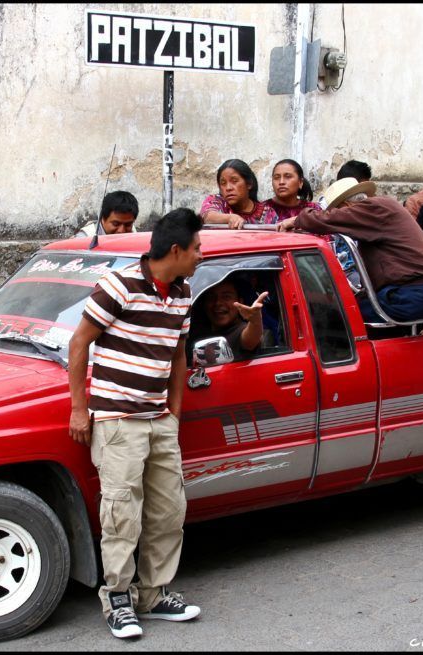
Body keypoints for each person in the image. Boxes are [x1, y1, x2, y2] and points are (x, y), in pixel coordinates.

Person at [68, 208, 203, 639]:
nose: (201, 255)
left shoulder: (183, 292)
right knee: (121, 514)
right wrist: (78, 407)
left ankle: (154, 594)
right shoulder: (118, 285)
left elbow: (179, 354)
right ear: (176, 249)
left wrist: (175, 412)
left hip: (159, 419)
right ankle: (118, 599)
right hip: (117, 421)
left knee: (168, 511)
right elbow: (79, 342)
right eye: (197, 248)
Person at [277, 178, 423, 323]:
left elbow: (328, 220)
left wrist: (298, 219)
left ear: (346, 206)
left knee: (338, 316)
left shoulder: (375, 207)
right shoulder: (381, 210)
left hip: (415, 296)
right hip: (422, 294)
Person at [189, 279, 267, 360]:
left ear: (240, 301)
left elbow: (251, 339)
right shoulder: (196, 332)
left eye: (226, 297)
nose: (218, 303)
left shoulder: (241, 330)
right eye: (211, 297)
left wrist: (255, 321)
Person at [200, 159, 279, 228]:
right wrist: (230, 218)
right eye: (223, 183)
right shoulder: (217, 201)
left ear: (249, 184)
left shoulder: (267, 213)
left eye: (234, 181)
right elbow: (207, 216)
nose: (228, 188)